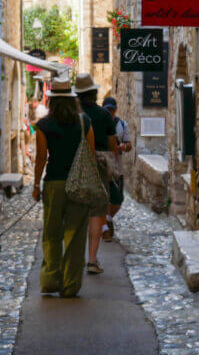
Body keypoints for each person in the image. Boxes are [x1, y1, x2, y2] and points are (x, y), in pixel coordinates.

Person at [33, 77, 95, 297]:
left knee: (51, 233)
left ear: (51, 100)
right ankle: (70, 284)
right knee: (76, 235)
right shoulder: (84, 122)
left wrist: (35, 185)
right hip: (79, 184)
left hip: (54, 182)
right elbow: (91, 155)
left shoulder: (43, 125)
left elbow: (41, 157)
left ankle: (50, 279)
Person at [73, 73, 118, 275]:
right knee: (97, 212)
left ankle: (72, 259)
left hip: (74, 164)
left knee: (76, 210)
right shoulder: (104, 115)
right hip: (98, 164)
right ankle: (92, 259)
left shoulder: (72, 115)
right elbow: (112, 144)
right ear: (93, 93)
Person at [101, 96, 132, 241]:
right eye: (108, 110)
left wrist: (122, 147)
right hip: (101, 164)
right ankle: (104, 226)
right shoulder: (98, 123)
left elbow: (129, 145)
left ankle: (107, 218)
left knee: (118, 199)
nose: (110, 112)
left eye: (112, 109)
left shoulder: (122, 125)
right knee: (102, 197)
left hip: (117, 166)